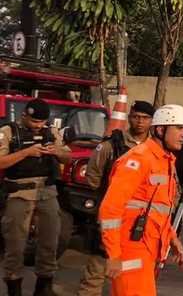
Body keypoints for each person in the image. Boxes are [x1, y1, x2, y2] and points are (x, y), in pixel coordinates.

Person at [98, 104, 183, 296]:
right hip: (131, 249)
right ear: (160, 129)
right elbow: (110, 208)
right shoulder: (139, 159)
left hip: (148, 248)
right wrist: (114, 254)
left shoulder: (165, 161)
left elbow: (157, 208)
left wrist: (172, 237)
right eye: (179, 128)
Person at [75, 100, 155, 296]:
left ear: (151, 122)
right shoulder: (112, 145)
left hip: (140, 224)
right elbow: (92, 176)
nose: (140, 122)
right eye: (136, 117)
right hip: (113, 217)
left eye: (145, 118)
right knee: (97, 270)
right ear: (129, 118)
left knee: (133, 277)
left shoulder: (155, 149)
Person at [0, 98, 71, 296]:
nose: (38, 126)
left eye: (42, 122)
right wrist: (26, 152)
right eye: (35, 122)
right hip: (19, 193)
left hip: (47, 193)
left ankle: (44, 286)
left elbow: (68, 156)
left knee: (49, 242)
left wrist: (56, 151)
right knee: (15, 244)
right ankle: (14, 287)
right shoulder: (8, 132)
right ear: (25, 116)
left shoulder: (50, 131)